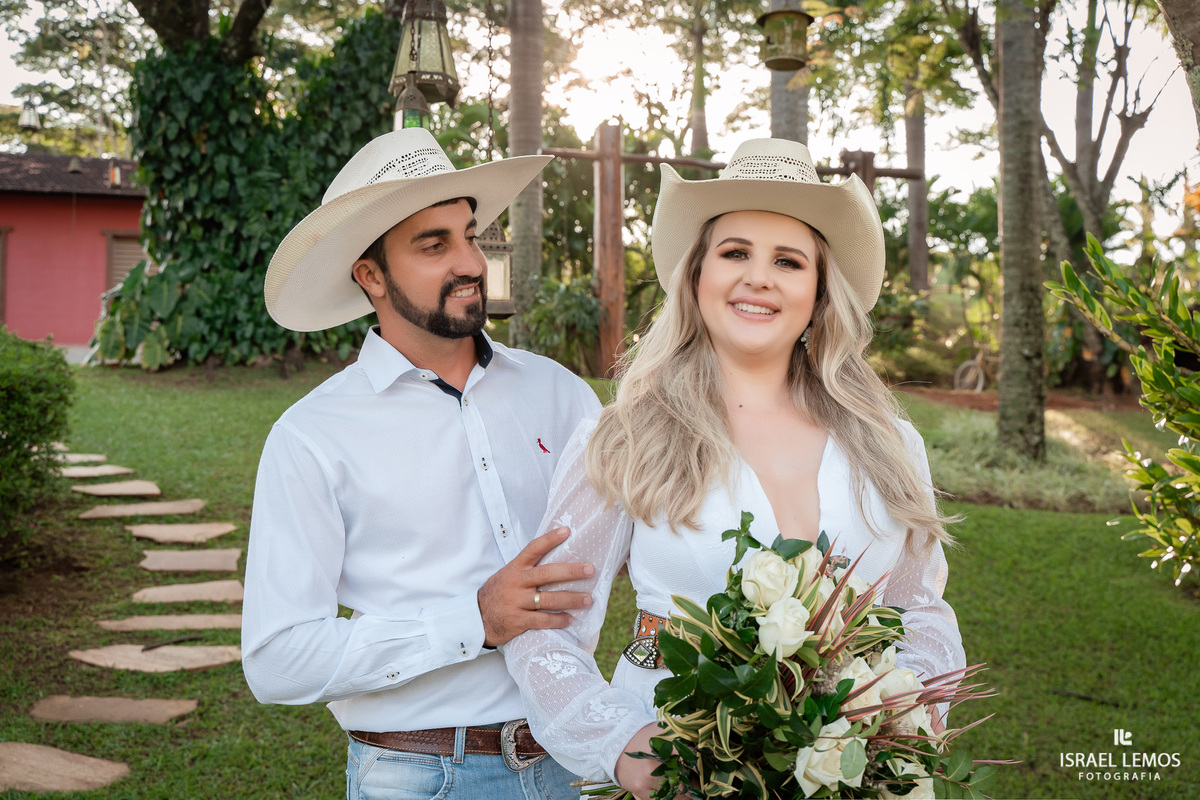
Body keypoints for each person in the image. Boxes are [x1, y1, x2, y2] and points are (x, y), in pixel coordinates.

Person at [500, 138, 966, 799]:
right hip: (681, 771)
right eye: (735, 253)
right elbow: (546, 632)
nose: (759, 277)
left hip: (847, 776)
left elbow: (919, 611)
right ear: (696, 276)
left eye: (788, 260)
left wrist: (900, 719)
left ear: (819, 292)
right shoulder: (622, 437)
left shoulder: (891, 446)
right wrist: (628, 749)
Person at [241, 128, 602, 800]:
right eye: (434, 245)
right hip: (417, 778)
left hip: (569, 760)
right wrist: (473, 622)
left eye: (469, 234)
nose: (470, 260)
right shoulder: (313, 437)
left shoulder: (562, 395)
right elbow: (276, 659)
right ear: (370, 275)